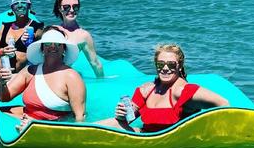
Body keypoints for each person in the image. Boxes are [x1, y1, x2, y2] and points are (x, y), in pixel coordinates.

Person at [98, 44, 229, 132]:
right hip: (145, 137)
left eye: (171, 65)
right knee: (108, 123)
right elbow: (127, 120)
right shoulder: (146, 90)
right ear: (156, 65)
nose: (165, 68)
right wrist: (122, 115)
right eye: (161, 64)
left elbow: (223, 104)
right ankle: (79, 130)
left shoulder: (184, 91)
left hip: (173, 144)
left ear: (179, 66)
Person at [53, 0, 104, 78]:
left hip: (65, 78)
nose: (72, 10)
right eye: (67, 7)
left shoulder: (83, 36)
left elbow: (95, 64)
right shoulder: (53, 31)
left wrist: (103, 83)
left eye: (75, 6)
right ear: (60, 8)